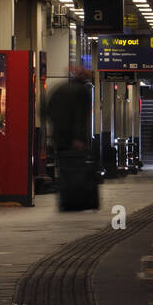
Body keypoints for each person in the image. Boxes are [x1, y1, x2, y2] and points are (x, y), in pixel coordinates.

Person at [44, 67, 97, 210]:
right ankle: (78, 201)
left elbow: (45, 110)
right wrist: (79, 138)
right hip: (75, 140)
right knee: (79, 171)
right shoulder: (82, 92)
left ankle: (66, 202)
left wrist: (57, 125)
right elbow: (80, 117)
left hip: (58, 137)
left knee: (64, 171)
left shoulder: (59, 89)